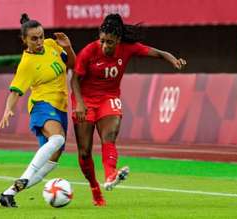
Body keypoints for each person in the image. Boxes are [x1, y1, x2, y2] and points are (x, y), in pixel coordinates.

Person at [71, 13, 187, 206]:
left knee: (110, 136)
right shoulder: (89, 51)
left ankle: (110, 175)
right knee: (84, 152)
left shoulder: (128, 48)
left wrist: (172, 59)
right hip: (85, 101)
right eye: (103, 41)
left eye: (110, 42)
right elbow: (74, 79)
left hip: (109, 98)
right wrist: (79, 104)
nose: (106, 45)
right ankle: (95, 189)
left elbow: (157, 52)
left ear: (118, 39)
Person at [0, 13, 76, 207]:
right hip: (42, 105)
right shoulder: (27, 64)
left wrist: (68, 47)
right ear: (24, 40)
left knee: (49, 164)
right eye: (34, 38)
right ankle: (25, 176)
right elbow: (15, 91)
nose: (39, 41)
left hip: (61, 108)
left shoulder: (50, 45)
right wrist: (8, 110)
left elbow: (72, 64)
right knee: (57, 139)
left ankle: (8, 194)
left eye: (41, 36)